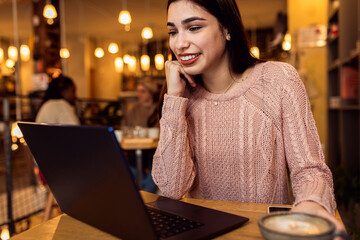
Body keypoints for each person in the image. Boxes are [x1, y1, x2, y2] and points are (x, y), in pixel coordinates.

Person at [152, 0, 347, 236]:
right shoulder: (182, 98)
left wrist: (312, 204)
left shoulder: (279, 80)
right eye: (173, 31)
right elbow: (172, 189)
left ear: (226, 29)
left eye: (194, 28)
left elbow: (310, 170)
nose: (180, 43)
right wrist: (173, 98)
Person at [122, 79, 160, 193]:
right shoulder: (134, 109)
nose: (139, 94)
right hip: (135, 147)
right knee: (127, 161)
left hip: (154, 147)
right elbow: (125, 126)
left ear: (151, 92)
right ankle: (145, 192)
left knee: (156, 162)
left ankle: (145, 192)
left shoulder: (157, 109)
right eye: (138, 91)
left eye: (143, 91)